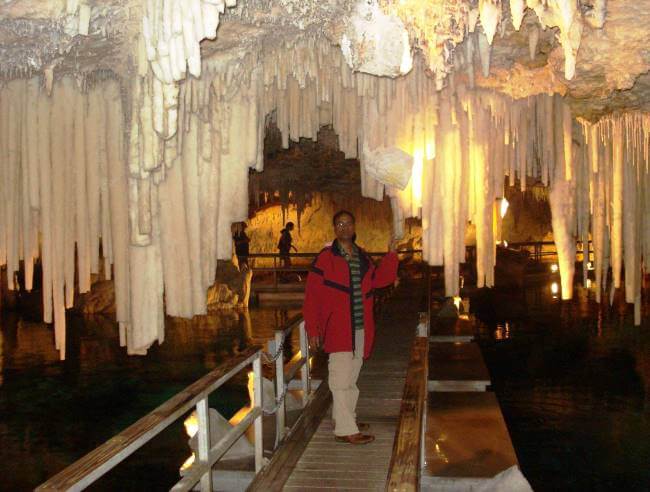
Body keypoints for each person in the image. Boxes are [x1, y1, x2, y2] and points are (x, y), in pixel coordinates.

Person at [303, 210, 398, 445]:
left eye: (348, 223)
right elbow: (312, 296)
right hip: (337, 328)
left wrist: (392, 253)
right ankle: (346, 430)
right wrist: (313, 330)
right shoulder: (325, 258)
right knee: (339, 379)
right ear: (335, 228)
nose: (344, 227)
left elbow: (380, 280)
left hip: (360, 327)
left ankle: (346, 418)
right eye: (339, 224)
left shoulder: (362, 256)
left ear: (354, 227)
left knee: (352, 377)